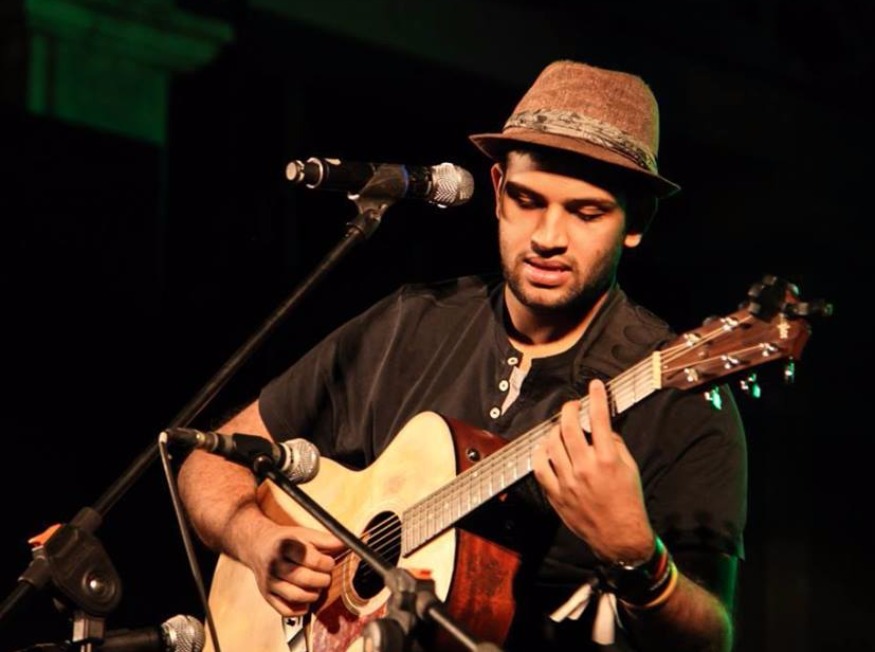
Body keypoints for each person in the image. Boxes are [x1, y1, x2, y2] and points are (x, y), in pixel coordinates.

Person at [177, 59, 747, 652]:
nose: (547, 237)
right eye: (527, 200)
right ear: (497, 191)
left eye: (586, 212)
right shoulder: (411, 325)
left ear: (637, 220)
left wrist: (639, 559)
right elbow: (209, 458)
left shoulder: (680, 400)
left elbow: (712, 638)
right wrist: (253, 537)